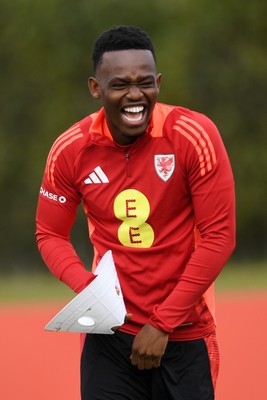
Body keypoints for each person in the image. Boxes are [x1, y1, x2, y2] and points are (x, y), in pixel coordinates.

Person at [36, 25, 236, 400]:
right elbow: (49, 234)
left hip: (184, 330)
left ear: (158, 81)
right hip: (110, 335)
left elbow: (220, 237)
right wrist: (88, 287)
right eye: (120, 84)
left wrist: (161, 325)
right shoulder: (70, 150)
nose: (135, 95)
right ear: (95, 88)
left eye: (145, 83)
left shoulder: (194, 135)